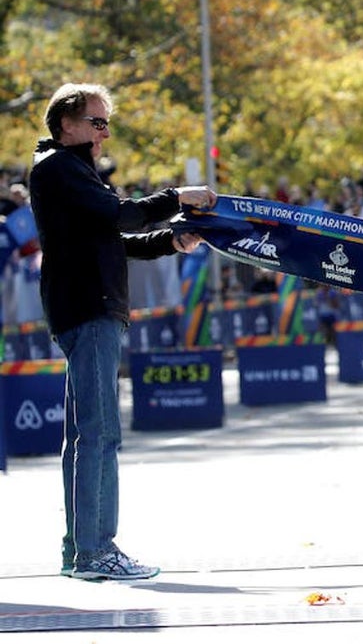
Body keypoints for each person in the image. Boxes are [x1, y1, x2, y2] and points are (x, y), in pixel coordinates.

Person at [29, 83, 216, 580]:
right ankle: (96, 552)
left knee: (86, 435)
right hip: (88, 309)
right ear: (66, 123)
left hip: (87, 306)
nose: (104, 132)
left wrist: (170, 241)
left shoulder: (70, 170)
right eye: (97, 122)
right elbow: (119, 216)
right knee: (100, 434)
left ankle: (80, 551)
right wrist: (176, 197)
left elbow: (113, 238)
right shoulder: (60, 169)